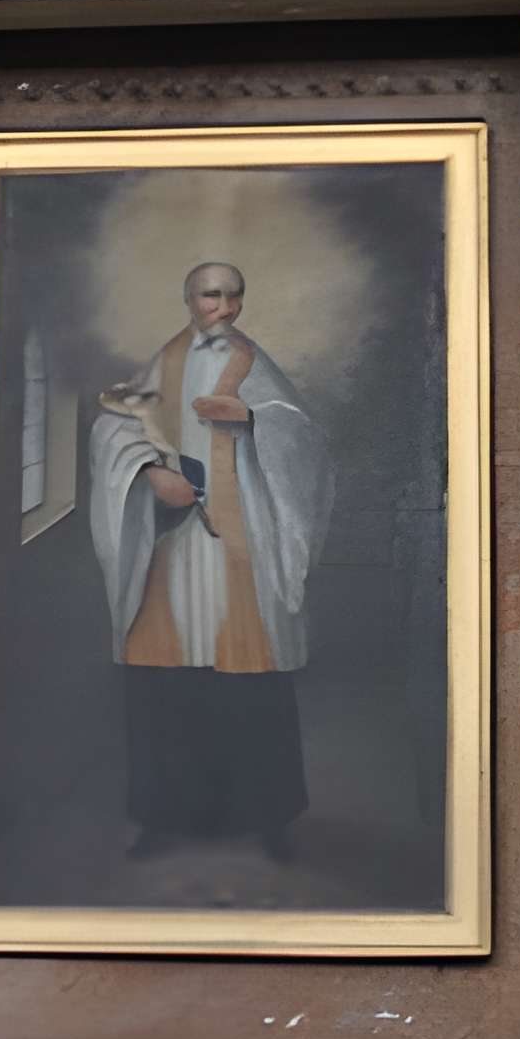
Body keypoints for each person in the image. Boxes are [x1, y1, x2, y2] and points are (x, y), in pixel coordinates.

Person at [86, 262, 334, 861]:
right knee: (165, 688)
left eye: (230, 296)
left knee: (251, 687)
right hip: (171, 546)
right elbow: (112, 426)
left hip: (240, 546)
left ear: (242, 303)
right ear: (189, 298)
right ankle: (163, 816)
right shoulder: (163, 362)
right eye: (208, 295)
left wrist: (250, 420)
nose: (220, 307)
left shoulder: (253, 363)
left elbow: (303, 438)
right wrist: (150, 473)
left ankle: (267, 817)